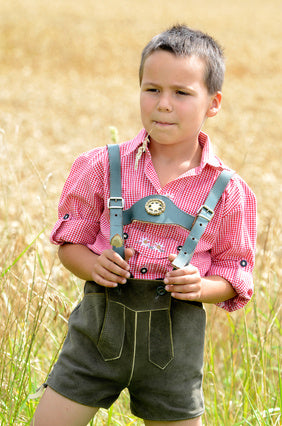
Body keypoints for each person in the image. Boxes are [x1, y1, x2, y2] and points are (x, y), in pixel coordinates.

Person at [31, 25, 257, 426]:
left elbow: (234, 277)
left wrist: (200, 286)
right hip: (95, 340)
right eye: (152, 89)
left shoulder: (229, 191)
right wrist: (93, 264)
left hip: (173, 349)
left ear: (214, 102)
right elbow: (70, 244)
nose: (163, 104)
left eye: (182, 93)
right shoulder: (102, 165)